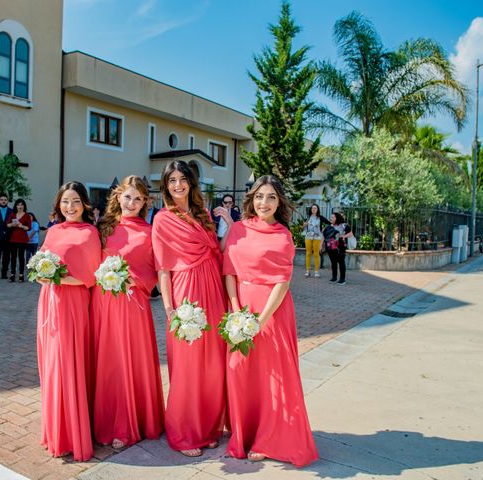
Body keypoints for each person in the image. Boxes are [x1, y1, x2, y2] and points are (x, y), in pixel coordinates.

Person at [222, 175, 318, 466]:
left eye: (272, 197)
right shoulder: (238, 229)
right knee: (239, 371)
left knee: (271, 376)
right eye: (260, 196)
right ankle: (243, 432)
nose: (265, 203)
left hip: (272, 311)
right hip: (240, 307)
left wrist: (260, 321)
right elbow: (229, 272)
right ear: (251, 199)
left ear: (279, 202)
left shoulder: (283, 235)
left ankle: (268, 437)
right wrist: (237, 311)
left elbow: (282, 283)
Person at [151, 160, 227, 457]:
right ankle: (185, 433)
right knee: (187, 365)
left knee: (211, 363)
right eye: (172, 181)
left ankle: (208, 429)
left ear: (192, 183)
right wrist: (169, 309)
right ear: (166, 186)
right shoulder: (162, 219)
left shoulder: (203, 214)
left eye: (183, 179)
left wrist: (230, 227)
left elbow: (218, 252)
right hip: (186, 291)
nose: (178, 185)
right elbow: (162, 268)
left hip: (212, 290)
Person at [91, 176, 165, 450]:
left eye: (138, 198)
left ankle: (128, 423)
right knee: (107, 361)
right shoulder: (104, 227)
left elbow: (156, 271)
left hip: (133, 304)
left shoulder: (149, 231)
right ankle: (104, 421)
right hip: (103, 303)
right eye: (127, 197)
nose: (132, 203)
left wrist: (135, 281)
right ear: (118, 197)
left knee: (128, 362)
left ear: (145, 202)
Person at [35, 181, 101, 461]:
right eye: (65, 202)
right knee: (51, 365)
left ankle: (73, 431)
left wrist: (57, 278)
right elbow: (39, 264)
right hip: (48, 302)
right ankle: (55, 429)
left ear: (84, 204)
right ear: (58, 204)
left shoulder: (90, 233)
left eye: (75, 201)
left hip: (73, 304)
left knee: (69, 363)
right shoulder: (53, 231)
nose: (70, 207)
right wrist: (41, 274)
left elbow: (91, 276)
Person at [323, 212, 353, 285]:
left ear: (337, 218)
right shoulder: (328, 227)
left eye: (332, 217)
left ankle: (342, 279)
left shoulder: (344, 226)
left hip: (340, 247)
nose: (331, 218)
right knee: (333, 263)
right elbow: (324, 236)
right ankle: (334, 278)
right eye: (331, 217)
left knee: (341, 263)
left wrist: (344, 236)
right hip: (331, 247)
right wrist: (322, 245)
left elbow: (351, 234)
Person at [6, 199, 32, 282]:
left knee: (21, 257)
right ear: (16, 206)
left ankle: (21, 275)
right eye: (18, 205)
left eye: (21, 205)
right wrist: (12, 224)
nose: (20, 206)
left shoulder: (27, 215)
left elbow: (28, 228)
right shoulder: (13, 214)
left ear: (24, 206)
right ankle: (12, 275)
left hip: (22, 239)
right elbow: (7, 224)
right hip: (13, 239)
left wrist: (21, 226)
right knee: (13, 257)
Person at [302, 204, 330, 278]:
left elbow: (329, 223)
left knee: (316, 253)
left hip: (317, 237)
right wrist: (304, 225)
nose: (314, 209)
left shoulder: (320, 217)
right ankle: (307, 271)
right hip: (308, 236)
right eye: (312, 208)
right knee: (308, 253)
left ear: (317, 209)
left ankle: (316, 271)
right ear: (311, 210)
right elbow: (303, 227)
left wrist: (323, 230)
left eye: (315, 208)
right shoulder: (307, 218)